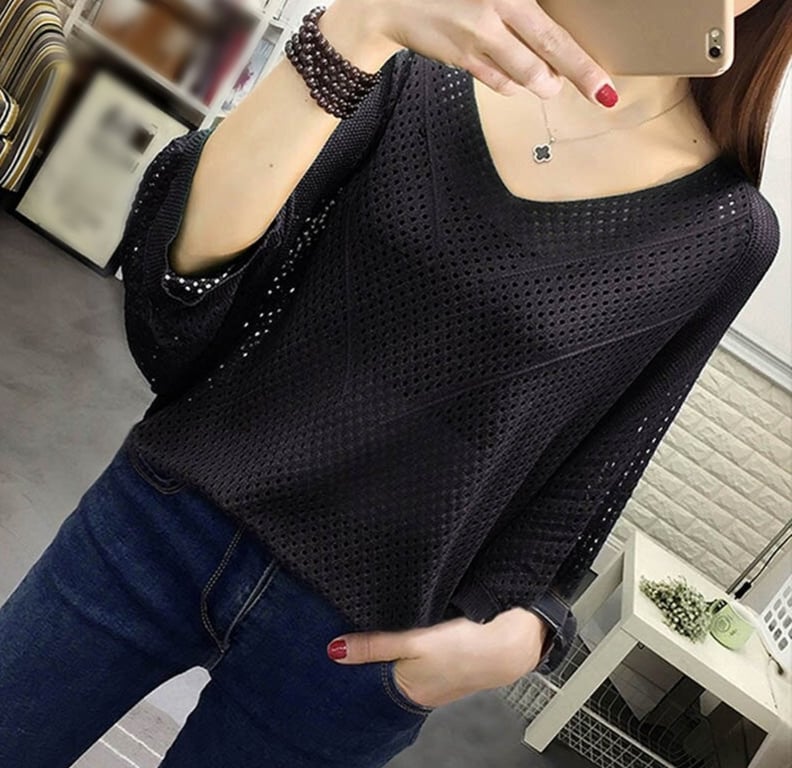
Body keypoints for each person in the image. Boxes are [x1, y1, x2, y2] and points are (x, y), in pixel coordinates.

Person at [0, 0, 788, 766]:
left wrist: (527, 631)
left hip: (353, 647)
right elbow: (181, 287)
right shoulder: (420, 49)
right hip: (162, 523)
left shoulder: (724, 231)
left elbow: (596, 470)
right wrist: (356, 27)